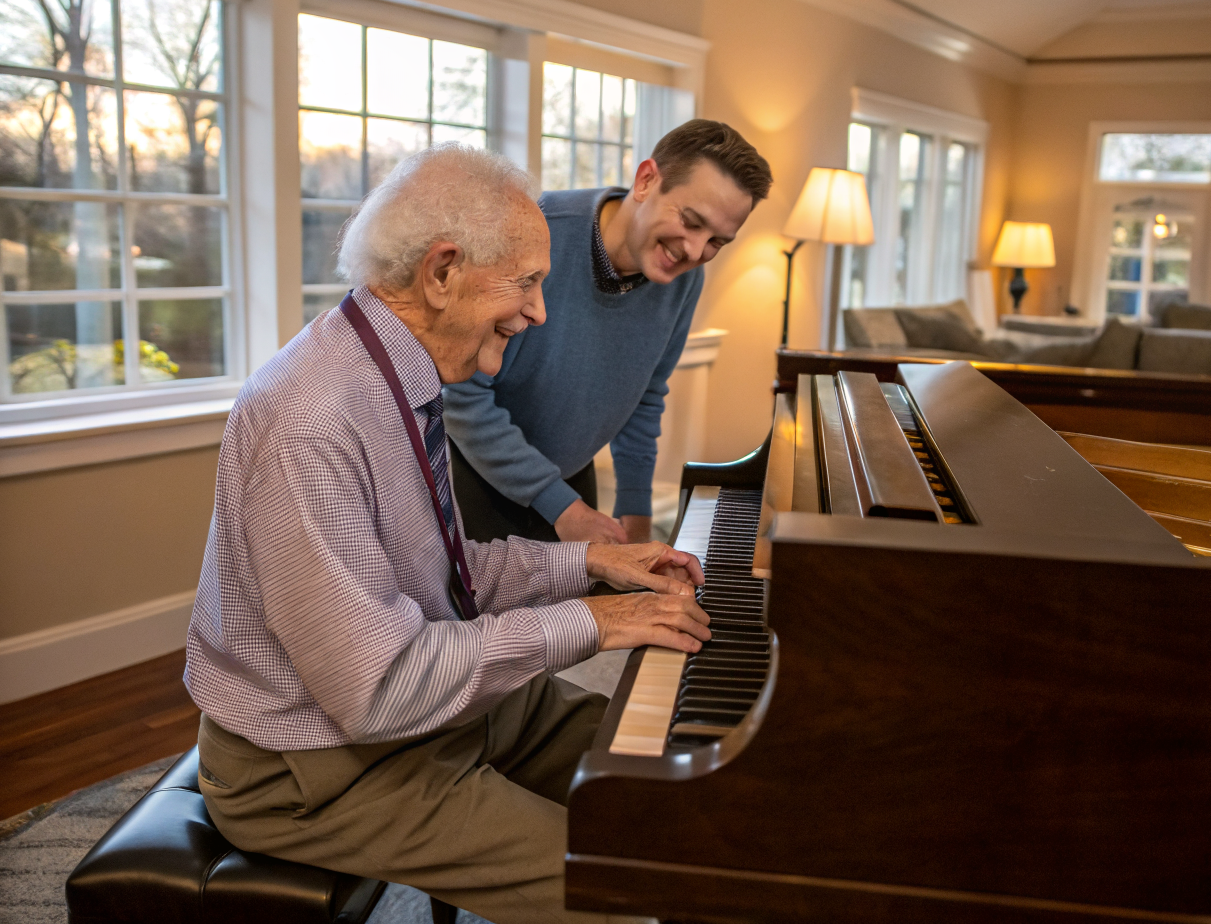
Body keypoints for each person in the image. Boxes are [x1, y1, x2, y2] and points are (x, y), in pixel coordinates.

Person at [184, 143, 712, 924]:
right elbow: (382, 686)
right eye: (527, 282)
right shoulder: (310, 420)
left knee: (677, 772)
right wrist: (594, 623)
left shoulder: (390, 370)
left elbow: (441, 571)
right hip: (316, 768)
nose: (538, 311)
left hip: (410, 716)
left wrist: (590, 562)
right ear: (441, 272)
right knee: (620, 891)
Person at [443, 120, 772, 545]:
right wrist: (558, 504)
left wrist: (635, 508)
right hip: (473, 475)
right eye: (691, 221)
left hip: (570, 478)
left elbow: (645, 394)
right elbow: (462, 396)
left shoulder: (684, 281)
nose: (694, 250)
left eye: (716, 242)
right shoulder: (537, 234)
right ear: (647, 180)